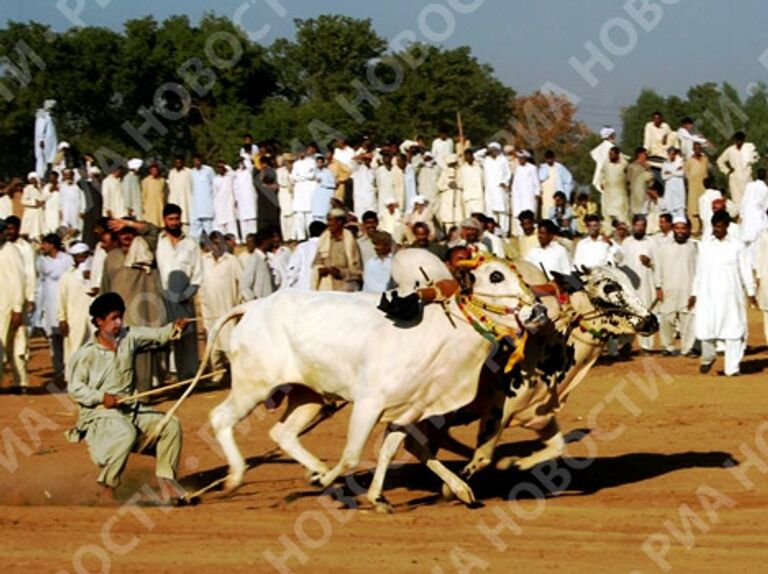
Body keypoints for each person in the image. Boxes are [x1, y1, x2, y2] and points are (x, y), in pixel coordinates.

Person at [66, 292, 188, 503]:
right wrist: (102, 397)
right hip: (99, 416)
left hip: (130, 410)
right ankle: (107, 489)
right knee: (125, 433)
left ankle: (167, 483)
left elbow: (158, 335)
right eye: (113, 318)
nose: (119, 323)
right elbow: (75, 389)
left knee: (170, 425)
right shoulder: (86, 354)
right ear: (99, 321)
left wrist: (174, 329)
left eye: (120, 317)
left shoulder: (128, 337)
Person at [101, 218, 166, 393]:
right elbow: (105, 288)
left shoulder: (144, 250)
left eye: (130, 232)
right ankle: (125, 393)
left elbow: (153, 230)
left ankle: (143, 395)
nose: (127, 236)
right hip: (117, 317)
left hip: (140, 313)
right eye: (123, 233)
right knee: (119, 358)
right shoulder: (111, 257)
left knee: (142, 356)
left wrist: (129, 223)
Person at [692, 211, 756, 376]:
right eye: (715, 227)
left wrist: (750, 291)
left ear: (727, 226)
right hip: (708, 295)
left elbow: (745, 270)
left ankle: (732, 369)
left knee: (733, 331)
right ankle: (707, 358)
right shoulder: (705, 245)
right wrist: (694, 292)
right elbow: (699, 272)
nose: (717, 230)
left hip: (730, 296)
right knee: (706, 331)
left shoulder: (737, 245)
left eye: (720, 227)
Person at [155, 204, 202, 381]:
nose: (174, 222)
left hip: (184, 297)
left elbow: (198, 274)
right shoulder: (158, 242)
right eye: (171, 219)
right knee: (166, 336)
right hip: (163, 296)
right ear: (164, 220)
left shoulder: (191, 243)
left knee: (187, 336)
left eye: (177, 219)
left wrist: (186, 295)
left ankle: (187, 376)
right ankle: (168, 374)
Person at [199, 231, 241, 381]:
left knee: (230, 343)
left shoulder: (231, 261)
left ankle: (237, 374)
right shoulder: (203, 261)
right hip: (209, 309)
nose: (217, 246)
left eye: (220, 243)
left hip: (228, 308)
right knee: (213, 343)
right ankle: (218, 373)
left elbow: (241, 283)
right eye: (214, 243)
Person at [654, 216, 697, 356]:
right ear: (673, 229)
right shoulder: (663, 248)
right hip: (668, 289)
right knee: (666, 320)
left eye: (683, 228)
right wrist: (658, 287)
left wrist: (696, 292)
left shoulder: (694, 247)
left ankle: (688, 348)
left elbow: (699, 270)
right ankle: (668, 347)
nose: (680, 231)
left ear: (688, 230)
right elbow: (658, 268)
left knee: (688, 321)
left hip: (688, 289)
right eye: (677, 228)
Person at [36, 233, 74, 380]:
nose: (42, 247)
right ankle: (58, 369)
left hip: (64, 301)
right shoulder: (41, 260)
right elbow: (44, 274)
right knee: (53, 338)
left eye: (45, 244)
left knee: (66, 336)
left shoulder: (67, 259)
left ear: (52, 245)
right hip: (49, 302)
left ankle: (69, 369)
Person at [4, 216, 36, 390]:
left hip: (17, 303)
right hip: (3, 303)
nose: (9, 232)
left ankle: (21, 382)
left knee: (18, 345)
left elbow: (26, 276)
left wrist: (28, 299)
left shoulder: (20, 249)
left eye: (11, 228)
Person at [621, 215, 657, 352]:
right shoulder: (627, 243)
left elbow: (658, 263)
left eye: (642, 226)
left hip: (646, 284)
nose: (640, 228)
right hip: (629, 284)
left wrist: (650, 262)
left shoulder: (652, 243)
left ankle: (646, 345)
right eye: (637, 225)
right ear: (633, 226)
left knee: (645, 313)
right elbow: (621, 263)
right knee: (628, 313)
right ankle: (626, 343)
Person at [57, 242, 94, 368]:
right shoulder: (67, 276)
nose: (81, 259)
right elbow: (61, 299)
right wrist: (62, 319)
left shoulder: (97, 273)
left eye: (84, 256)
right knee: (75, 349)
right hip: (74, 319)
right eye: (77, 256)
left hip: (94, 319)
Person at [0, 219, 26, 387]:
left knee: (9, 345)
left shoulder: (10, 251)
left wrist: (17, 308)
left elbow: (19, 281)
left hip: (7, 306)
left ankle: (20, 382)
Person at [311, 208, 362, 291]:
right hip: (325, 288)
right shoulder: (324, 239)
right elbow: (316, 263)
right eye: (328, 221)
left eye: (331, 221)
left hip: (344, 288)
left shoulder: (350, 241)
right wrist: (320, 270)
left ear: (339, 222)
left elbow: (357, 272)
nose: (328, 224)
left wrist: (340, 272)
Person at [716, 131, 759, 209]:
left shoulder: (748, 148)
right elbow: (720, 160)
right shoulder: (730, 150)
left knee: (750, 202)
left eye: (740, 140)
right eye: (737, 140)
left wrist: (752, 160)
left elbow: (756, 157)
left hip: (747, 179)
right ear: (735, 140)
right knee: (738, 203)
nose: (739, 142)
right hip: (735, 180)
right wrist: (727, 170)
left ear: (743, 140)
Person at [483, 142, 512, 236]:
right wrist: (486, 150)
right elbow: (476, 155)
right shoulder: (486, 160)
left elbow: (508, 173)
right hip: (490, 190)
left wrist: (505, 182)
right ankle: (493, 232)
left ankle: (504, 232)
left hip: (500, 189)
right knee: (491, 212)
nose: (493, 152)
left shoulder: (503, 160)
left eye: (495, 150)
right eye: (491, 150)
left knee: (503, 212)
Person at [287, 221, 325, 290]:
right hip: (322, 289)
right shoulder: (327, 246)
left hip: (303, 289)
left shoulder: (302, 247)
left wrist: (290, 285)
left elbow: (293, 269)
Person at [738, 168, 768, 257]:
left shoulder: (749, 186)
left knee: (747, 242)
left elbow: (744, 200)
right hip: (758, 217)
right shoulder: (765, 189)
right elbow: (766, 206)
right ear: (766, 176)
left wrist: (741, 214)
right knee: (757, 242)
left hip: (747, 216)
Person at [291, 146, 318, 241]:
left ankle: (310, 235)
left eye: (302, 151)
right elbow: (293, 177)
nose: (301, 153)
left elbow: (311, 175)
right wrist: (302, 177)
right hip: (299, 191)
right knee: (299, 215)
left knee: (309, 215)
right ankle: (301, 237)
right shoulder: (296, 164)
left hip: (308, 191)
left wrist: (299, 177)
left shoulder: (312, 162)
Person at [511, 150, 541, 235]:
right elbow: (515, 184)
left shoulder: (532, 168)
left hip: (529, 196)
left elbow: (536, 182)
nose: (520, 160)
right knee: (519, 215)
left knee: (530, 215)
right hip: (519, 197)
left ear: (526, 158)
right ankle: (521, 234)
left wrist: (537, 193)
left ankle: (532, 233)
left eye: (522, 158)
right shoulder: (518, 169)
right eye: (519, 158)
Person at [599, 146, 629, 231]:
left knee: (622, 217)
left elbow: (629, 176)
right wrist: (602, 182)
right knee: (608, 216)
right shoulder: (606, 163)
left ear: (617, 154)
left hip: (620, 194)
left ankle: (624, 233)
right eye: (609, 154)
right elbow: (602, 173)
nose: (610, 156)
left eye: (612, 154)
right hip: (609, 194)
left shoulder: (624, 164)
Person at [240, 229, 275, 301]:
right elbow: (244, 286)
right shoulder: (254, 259)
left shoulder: (264, 259)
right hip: (259, 306)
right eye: (270, 240)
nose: (271, 243)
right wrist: (254, 302)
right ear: (264, 241)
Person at [538, 150, 574, 215]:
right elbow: (539, 180)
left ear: (554, 158)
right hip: (546, 195)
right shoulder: (542, 168)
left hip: (557, 194)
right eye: (547, 159)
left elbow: (568, 180)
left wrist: (566, 195)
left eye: (550, 158)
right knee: (546, 211)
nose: (549, 160)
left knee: (557, 211)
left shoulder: (560, 167)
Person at [684, 142, 710, 232]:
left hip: (703, 186)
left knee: (704, 206)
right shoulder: (689, 161)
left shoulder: (705, 159)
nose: (698, 150)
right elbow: (686, 173)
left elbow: (706, 173)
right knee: (693, 207)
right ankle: (695, 227)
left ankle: (704, 227)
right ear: (693, 149)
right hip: (693, 185)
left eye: (699, 148)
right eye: (696, 148)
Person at [190, 155, 215, 238]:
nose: (196, 163)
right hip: (196, 206)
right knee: (194, 231)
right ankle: (195, 247)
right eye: (194, 161)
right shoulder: (191, 172)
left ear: (201, 161)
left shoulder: (209, 170)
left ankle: (212, 247)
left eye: (198, 160)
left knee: (209, 229)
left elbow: (214, 185)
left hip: (207, 204)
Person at [233, 157, 258, 241]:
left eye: (242, 162)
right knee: (243, 219)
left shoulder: (249, 171)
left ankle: (254, 238)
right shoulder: (236, 173)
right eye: (240, 162)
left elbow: (250, 166)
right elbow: (235, 187)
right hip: (241, 199)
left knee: (252, 219)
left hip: (250, 198)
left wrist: (246, 160)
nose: (241, 164)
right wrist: (236, 198)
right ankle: (244, 239)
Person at [437, 154, 463, 232]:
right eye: (450, 164)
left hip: (458, 199)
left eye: (454, 163)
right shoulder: (444, 173)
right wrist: (448, 186)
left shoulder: (460, 171)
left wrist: (457, 185)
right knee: (448, 222)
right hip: (448, 199)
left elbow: (464, 183)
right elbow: (439, 186)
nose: (452, 166)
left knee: (459, 220)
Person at [213, 161, 237, 236]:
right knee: (220, 222)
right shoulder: (215, 179)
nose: (220, 169)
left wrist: (226, 166)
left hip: (229, 203)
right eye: (219, 168)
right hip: (219, 204)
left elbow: (234, 173)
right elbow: (214, 193)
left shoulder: (229, 177)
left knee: (231, 222)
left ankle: (234, 239)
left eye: (222, 167)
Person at [167, 157, 192, 231]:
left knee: (185, 221)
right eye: (176, 162)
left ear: (183, 163)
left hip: (185, 201)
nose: (178, 164)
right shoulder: (171, 172)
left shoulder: (189, 172)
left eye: (180, 162)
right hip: (174, 200)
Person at [34, 99, 58, 176]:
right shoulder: (42, 114)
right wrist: (41, 140)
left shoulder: (51, 116)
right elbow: (40, 129)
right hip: (45, 142)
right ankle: (41, 175)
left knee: (51, 159)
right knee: (42, 159)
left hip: (51, 142)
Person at [627, 147, 652, 217]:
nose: (646, 156)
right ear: (640, 154)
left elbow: (650, 180)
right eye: (645, 154)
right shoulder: (631, 166)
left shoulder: (647, 166)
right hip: (634, 196)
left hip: (644, 195)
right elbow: (628, 181)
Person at [590, 127, 617, 193]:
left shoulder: (601, 147)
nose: (615, 136)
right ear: (609, 136)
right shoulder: (609, 147)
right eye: (613, 134)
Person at [311, 154, 336, 222]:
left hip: (325, 197)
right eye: (317, 162)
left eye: (320, 162)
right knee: (316, 216)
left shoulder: (328, 172)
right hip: (317, 198)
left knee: (325, 215)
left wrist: (322, 182)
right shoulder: (314, 172)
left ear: (323, 162)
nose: (319, 164)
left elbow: (333, 185)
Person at [60, 168, 87, 233]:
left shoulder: (77, 187)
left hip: (76, 211)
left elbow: (83, 199)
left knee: (77, 228)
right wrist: (60, 211)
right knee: (66, 228)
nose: (68, 177)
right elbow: (60, 201)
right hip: (66, 211)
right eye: (66, 175)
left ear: (72, 176)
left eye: (69, 175)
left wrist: (82, 210)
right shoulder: (62, 187)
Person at [661, 147, 685, 218]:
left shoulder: (680, 162)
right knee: (670, 210)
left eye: (673, 154)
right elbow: (664, 177)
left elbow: (681, 173)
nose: (671, 156)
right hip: (670, 191)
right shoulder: (665, 164)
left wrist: (670, 172)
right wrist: (675, 171)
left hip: (679, 191)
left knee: (680, 210)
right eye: (670, 154)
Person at [459, 148, 484, 215]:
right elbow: (460, 184)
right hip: (467, 198)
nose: (468, 157)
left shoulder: (479, 167)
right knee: (468, 217)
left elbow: (484, 181)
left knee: (479, 217)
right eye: (466, 156)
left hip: (478, 197)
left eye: (470, 155)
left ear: (472, 156)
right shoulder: (462, 169)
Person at [141, 163, 167, 228]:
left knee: (160, 223)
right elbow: (143, 195)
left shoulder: (162, 180)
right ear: (150, 171)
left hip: (160, 206)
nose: (154, 172)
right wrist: (143, 206)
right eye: (153, 170)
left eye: (156, 170)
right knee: (150, 224)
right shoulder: (146, 181)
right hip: (149, 207)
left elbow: (165, 194)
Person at [276, 152, 295, 241]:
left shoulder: (294, 169)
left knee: (291, 214)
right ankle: (286, 237)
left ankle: (292, 236)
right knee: (284, 215)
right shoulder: (279, 171)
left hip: (291, 192)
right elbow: (280, 182)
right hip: (283, 192)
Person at [20, 172, 45, 239]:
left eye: (35, 179)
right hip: (31, 213)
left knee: (40, 231)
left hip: (40, 213)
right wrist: (34, 202)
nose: (33, 180)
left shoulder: (41, 188)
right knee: (31, 231)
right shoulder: (27, 188)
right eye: (32, 179)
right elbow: (23, 201)